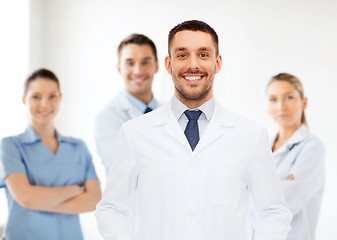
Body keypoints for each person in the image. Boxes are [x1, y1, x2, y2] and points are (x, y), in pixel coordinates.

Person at [95, 20, 292, 240]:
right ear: (168, 65)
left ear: (217, 63)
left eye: (203, 54)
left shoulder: (250, 135)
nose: (193, 65)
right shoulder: (134, 134)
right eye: (182, 55)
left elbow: (273, 212)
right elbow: (112, 208)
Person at [0, 69, 101, 240]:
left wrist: (39, 201)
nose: (45, 104)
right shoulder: (11, 146)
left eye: (52, 96)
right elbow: (26, 198)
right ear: (24, 100)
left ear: (60, 98)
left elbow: (95, 200)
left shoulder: (78, 148)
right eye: (36, 97)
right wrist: (74, 190)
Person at [265, 73, 325, 240]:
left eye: (289, 97)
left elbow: (284, 204)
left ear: (304, 102)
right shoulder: (261, 148)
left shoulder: (312, 148)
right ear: (268, 107)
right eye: (273, 99)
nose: (281, 106)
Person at [94, 33, 160, 174]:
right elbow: (126, 172)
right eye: (130, 63)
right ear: (119, 68)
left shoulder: (172, 112)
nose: (138, 71)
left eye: (145, 62)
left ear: (156, 66)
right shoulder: (107, 118)